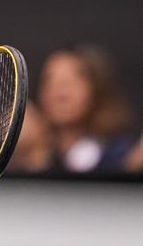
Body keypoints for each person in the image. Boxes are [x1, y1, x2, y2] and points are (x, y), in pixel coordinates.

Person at [36, 43, 136, 174]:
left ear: (97, 88)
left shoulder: (122, 155)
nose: (61, 93)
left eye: (73, 81)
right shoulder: (29, 157)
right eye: (50, 81)